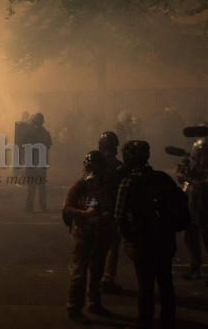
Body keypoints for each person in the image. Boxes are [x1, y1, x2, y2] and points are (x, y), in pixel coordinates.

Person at [115, 141, 190, 329]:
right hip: (165, 238)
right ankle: (168, 321)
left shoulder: (128, 182)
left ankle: (145, 322)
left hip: (142, 240)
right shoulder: (163, 178)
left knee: (145, 286)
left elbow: (119, 215)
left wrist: (127, 237)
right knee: (166, 282)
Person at [62, 151, 115, 325]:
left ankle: (94, 302)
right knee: (80, 271)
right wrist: (84, 213)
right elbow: (67, 209)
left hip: (101, 232)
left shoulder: (105, 185)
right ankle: (74, 308)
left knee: (97, 269)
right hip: (84, 233)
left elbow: (107, 204)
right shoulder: (80, 185)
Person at [176, 137, 208, 280]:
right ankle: (196, 268)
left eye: (202, 153)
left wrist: (186, 177)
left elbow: (201, 184)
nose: (199, 157)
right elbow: (184, 184)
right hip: (192, 209)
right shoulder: (194, 166)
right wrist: (181, 174)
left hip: (205, 210)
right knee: (191, 239)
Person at [98, 131, 125, 294]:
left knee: (94, 248)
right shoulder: (119, 166)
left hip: (95, 211)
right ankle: (107, 279)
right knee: (112, 248)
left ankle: (94, 279)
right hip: (113, 211)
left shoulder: (94, 164)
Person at [23, 112, 52, 212]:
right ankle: (43, 207)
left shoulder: (29, 132)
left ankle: (29, 207)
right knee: (41, 186)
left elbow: (22, 144)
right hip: (41, 163)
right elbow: (48, 145)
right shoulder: (46, 133)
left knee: (31, 186)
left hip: (31, 162)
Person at [14, 111, 30, 180]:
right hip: (20, 144)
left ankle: (20, 176)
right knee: (20, 161)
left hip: (22, 144)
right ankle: (18, 176)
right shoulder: (22, 124)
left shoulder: (20, 124)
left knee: (22, 161)